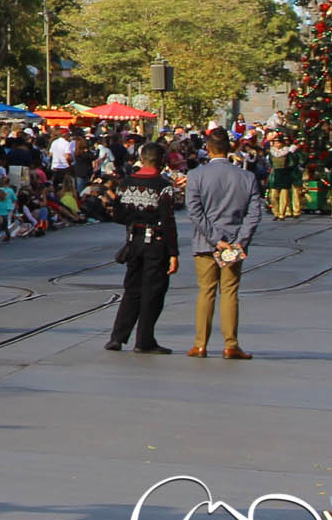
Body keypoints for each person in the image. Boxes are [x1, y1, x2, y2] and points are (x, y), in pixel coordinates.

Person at [184, 127, 260, 359]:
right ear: (230, 148)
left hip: (205, 243)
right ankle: (231, 345)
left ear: (207, 148)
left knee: (206, 291)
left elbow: (194, 212)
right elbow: (254, 213)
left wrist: (215, 239)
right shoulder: (247, 177)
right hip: (234, 244)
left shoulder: (196, 175)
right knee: (229, 292)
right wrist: (239, 241)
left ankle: (200, 344)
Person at [105, 144, 180, 354]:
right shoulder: (163, 186)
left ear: (142, 159)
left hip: (133, 241)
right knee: (153, 292)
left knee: (132, 289)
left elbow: (118, 215)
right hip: (156, 242)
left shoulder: (125, 183)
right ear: (162, 161)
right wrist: (173, 253)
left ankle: (117, 337)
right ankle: (144, 341)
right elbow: (168, 221)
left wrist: (134, 218)